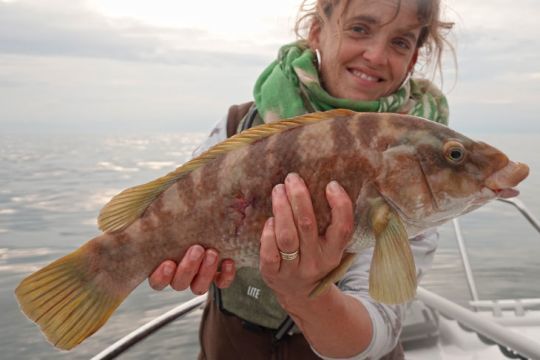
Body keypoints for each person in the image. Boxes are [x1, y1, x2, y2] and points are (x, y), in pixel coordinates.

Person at [149, 0, 454, 358]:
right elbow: (172, 212)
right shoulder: (238, 128)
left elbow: (379, 324)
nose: (375, 55)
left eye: (400, 42)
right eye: (359, 29)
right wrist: (169, 256)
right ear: (316, 32)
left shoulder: (417, 162)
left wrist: (303, 292)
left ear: (414, 59)